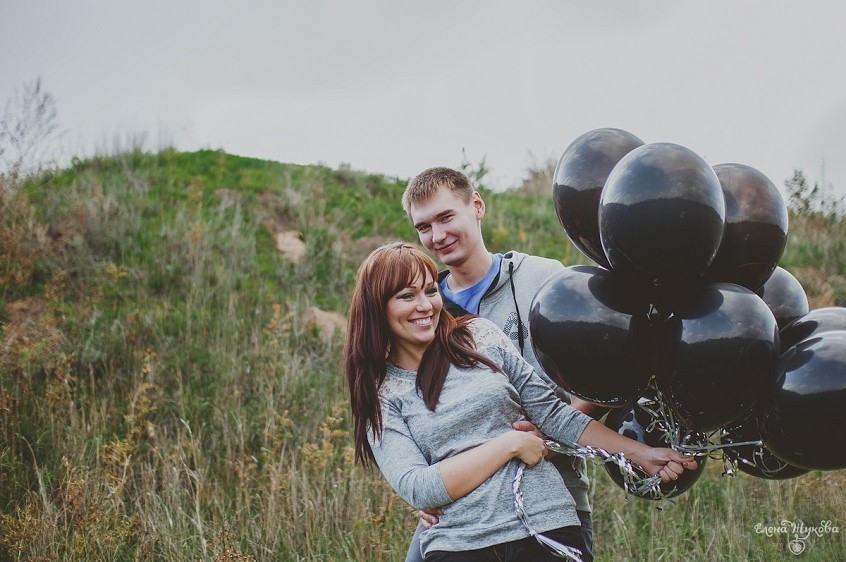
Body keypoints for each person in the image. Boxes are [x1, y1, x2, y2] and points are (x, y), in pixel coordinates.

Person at [344, 242, 697, 562]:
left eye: (430, 291)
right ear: (379, 308)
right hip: (461, 546)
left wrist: (640, 454)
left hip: (548, 529)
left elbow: (554, 415)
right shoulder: (382, 393)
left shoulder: (480, 336)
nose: (425, 305)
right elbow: (419, 487)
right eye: (407, 296)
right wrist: (509, 445)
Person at [401, 167, 605, 562]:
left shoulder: (545, 279)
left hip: (551, 497)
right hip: (461, 511)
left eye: (446, 217)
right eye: (423, 227)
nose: (437, 236)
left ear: (476, 206)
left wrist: (549, 438)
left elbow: (607, 375)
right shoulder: (423, 310)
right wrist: (426, 486)